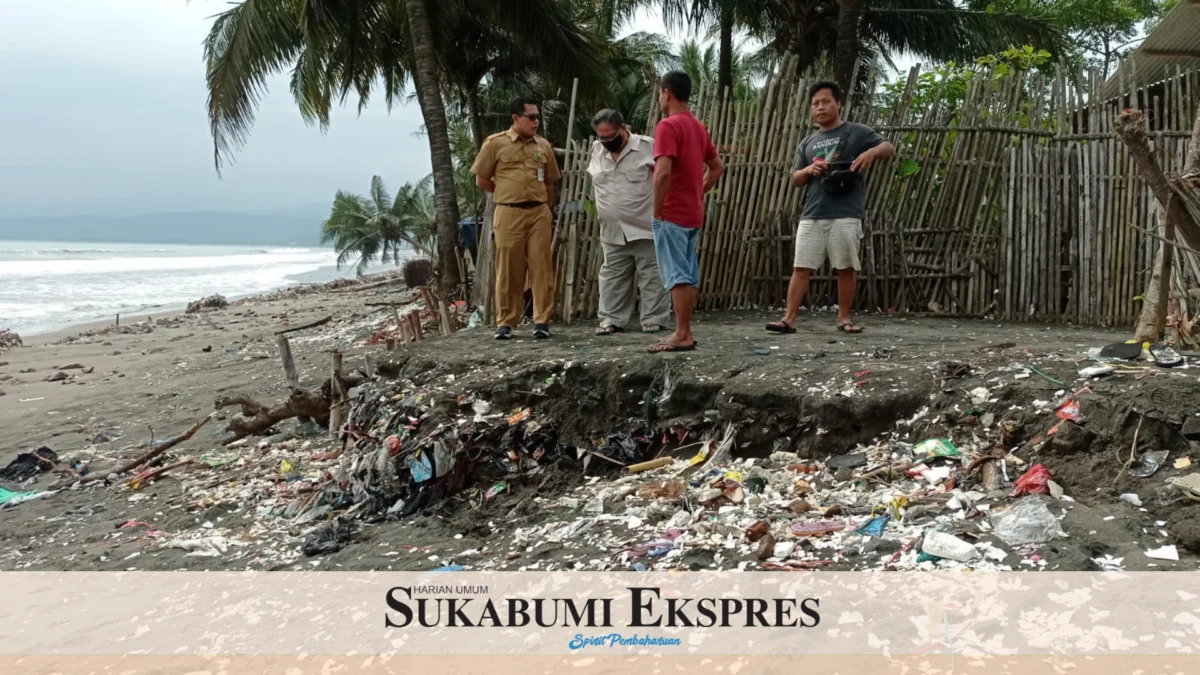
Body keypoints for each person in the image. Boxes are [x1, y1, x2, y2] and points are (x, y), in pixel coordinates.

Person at [767, 80, 894, 336]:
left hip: (846, 212)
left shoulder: (857, 132)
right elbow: (795, 179)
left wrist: (870, 154)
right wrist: (808, 169)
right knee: (801, 266)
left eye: (826, 101)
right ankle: (789, 319)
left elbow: (888, 147)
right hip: (812, 213)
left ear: (838, 103)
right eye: (815, 104)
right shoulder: (807, 142)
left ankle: (844, 318)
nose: (820, 107)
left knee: (845, 267)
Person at [471, 97, 561, 340]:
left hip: (539, 213)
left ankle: (541, 321)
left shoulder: (543, 146)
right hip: (508, 212)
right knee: (509, 269)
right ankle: (506, 323)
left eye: (538, 117)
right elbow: (482, 180)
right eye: (531, 117)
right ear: (515, 118)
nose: (536, 122)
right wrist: (507, 193)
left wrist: (544, 205)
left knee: (541, 266)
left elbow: (550, 180)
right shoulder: (495, 144)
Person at [649, 71, 725, 353]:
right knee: (688, 274)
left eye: (659, 93)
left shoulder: (667, 126)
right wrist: (698, 192)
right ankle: (684, 331)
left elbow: (662, 174)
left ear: (667, 93)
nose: (659, 99)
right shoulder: (697, 126)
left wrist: (657, 211)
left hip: (672, 213)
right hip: (693, 212)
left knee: (677, 274)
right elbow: (717, 167)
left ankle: (683, 333)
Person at [586, 108, 670, 336]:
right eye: (601, 137)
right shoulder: (597, 150)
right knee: (612, 276)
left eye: (611, 137)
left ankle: (654, 319)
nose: (606, 142)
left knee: (652, 274)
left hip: (645, 226)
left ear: (623, 128)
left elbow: (667, 177)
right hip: (612, 230)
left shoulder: (647, 146)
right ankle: (611, 319)